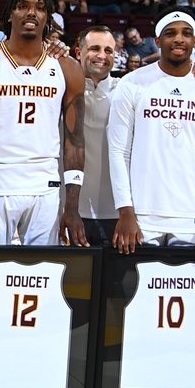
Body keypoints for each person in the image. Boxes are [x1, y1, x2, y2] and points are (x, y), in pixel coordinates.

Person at [0, 0, 87, 247]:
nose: (32, 13)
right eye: (23, 6)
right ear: (9, 14)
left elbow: (75, 142)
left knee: (42, 275)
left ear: (48, 19)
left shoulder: (67, 68)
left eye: (40, 9)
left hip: (46, 184)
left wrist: (72, 207)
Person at [106, 12, 195, 253]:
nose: (178, 39)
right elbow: (119, 151)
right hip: (141, 217)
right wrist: (125, 210)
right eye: (170, 33)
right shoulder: (132, 83)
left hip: (194, 217)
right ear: (157, 41)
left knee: (185, 291)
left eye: (186, 34)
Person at [74, 25, 120, 245]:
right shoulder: (60, 85)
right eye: (94, 48)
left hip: (115, 212)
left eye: (109, 50)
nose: (102, 56)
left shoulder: (126, 91)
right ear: (78, 52)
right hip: (69, 209)